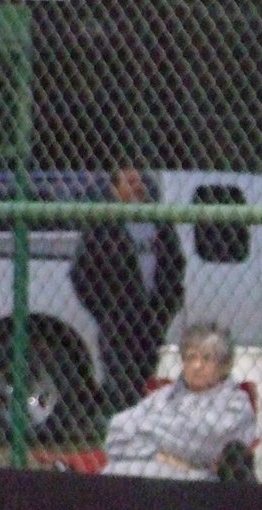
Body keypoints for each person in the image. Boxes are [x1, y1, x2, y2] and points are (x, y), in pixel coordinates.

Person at [70, 164, 186, 413]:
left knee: (148, 380)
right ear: (115, 188)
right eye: (130, 182)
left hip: (152, 319)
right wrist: (105, 312)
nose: (138, 187)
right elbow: (81, 273)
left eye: (139, 181)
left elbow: (176, 264)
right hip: (117, 321)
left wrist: (167, 306)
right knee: (121, 383)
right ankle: (122, 433)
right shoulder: (103, 224)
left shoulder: (157, 221)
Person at [102, 322, 256, 482]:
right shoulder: (164, 395)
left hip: (200, 480)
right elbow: (116, 433)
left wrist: (147, 433)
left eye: (207, 358)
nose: (197, 366)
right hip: (154, 466)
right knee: (110, 472)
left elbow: (202, 445)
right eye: (191, 357)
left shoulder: (235, 403)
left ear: (224, 365)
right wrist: (162, 456)